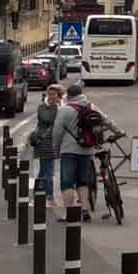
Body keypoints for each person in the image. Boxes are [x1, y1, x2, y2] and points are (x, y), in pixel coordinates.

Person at [58, 86, 100, 218]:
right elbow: (105, 120)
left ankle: (70, 213)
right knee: (83, 181)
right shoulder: (91, 106)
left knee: (67, 182)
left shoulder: (64, 110)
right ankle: (84, 209)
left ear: (69, 95)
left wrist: (56, 148)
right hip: (86, 149)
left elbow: (57, 131)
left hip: (68, 150)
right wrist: (118, 131)